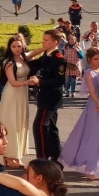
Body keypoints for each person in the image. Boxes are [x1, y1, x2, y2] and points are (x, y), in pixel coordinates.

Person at [60, 47, 99, 179]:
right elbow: (92, 92)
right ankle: (90, 167)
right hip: (96, 105)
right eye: (96, 59)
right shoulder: (89, 74)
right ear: (89, 60)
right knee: (94, 135)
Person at [27, 30, 67, 162]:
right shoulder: (47, 54)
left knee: (39, 126)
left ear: (55, 42)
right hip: (45, 96)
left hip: (51, 98)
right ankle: (56, 157)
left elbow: (59, 81)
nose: (42, 42)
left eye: (46, 40)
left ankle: (42, 159)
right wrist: (30, 55)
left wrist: (40, 81)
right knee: (50, 128)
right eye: (43, 39)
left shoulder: (59, 59)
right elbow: (34, 64)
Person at [0, 37, 33, 169]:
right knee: (11, 123)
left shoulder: (24, 58)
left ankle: (17, 155)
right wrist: (27, 82)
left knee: (20, 123)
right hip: (12, 94)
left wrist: (48, 45)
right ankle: (9, 155)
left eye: (19, 46)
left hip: (22, 94)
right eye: (14, 46)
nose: (17, 49)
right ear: (10, 48)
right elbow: (12, 82)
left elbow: (35, 52)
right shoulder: (9, 62)